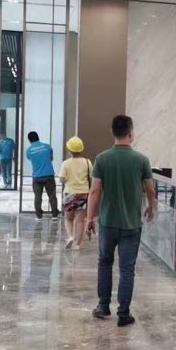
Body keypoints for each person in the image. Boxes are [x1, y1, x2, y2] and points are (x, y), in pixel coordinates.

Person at [87, 114, 156, 327]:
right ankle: (123, 313)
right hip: (131, 225)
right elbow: (150, 188)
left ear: (113, 133)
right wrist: (151, 206)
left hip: (107, 222)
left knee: (104, 262)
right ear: (131, 133)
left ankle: (103, 306)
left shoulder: (102, 159)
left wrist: (89, 217)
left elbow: (95, 190)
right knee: (127, 269)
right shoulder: (141, 160)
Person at [59, 136, 92, 250]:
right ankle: (77, 244)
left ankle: (70, 237)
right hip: (83, 193)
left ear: (69, 150)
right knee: (80, 220)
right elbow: (91, 177)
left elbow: (62, 179)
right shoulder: (87, 162)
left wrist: (67, 180)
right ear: (81, 149)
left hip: (69, 193)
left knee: (68, 218)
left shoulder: (66, 163)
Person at [26, 131, 59, 218]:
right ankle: (54, 214)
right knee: (52, 195)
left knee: (37, 196)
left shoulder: (29, 150)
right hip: (49, 175)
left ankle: (38, 215)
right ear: (38, 137)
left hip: (37, 176)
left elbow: (30, 159)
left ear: (29, 140)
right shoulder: (47, 147)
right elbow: (51, 158)